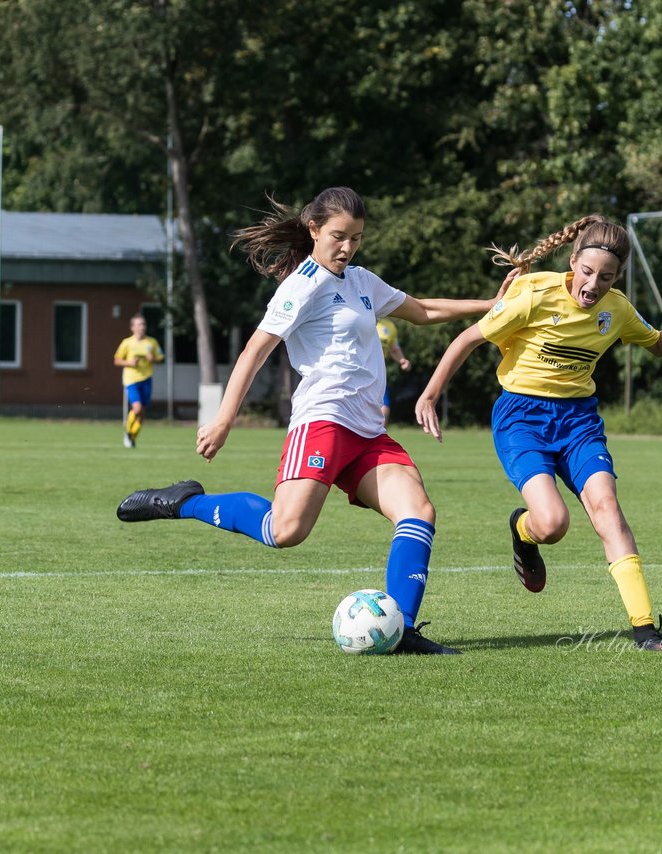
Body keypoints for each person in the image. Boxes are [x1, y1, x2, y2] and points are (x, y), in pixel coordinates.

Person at [117, 186, 509, 655]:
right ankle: (185, 502)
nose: (348, 248)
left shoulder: (362, 281)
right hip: (323, 421)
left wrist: (495, 306)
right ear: (314, 229)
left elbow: (423, 311)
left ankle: (401, 632)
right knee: (286, 532)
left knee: (418, 513)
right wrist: (223, 419)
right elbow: (254, 352)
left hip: (368, 432)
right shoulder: (302, 285)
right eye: (339, 237)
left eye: (357, 239)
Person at [414, 214, 662, 652]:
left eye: (606, 277)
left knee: (607, 509)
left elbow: (656, 343)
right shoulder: (533, 294)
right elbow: (468, 339)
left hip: (578, 421)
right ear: (573, 262)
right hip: (522, 418)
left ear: (617, 277)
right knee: (552, 524)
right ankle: (523, 531)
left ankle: (646, 631)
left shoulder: (618, 309)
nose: (594, 284)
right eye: (588, 272)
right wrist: (429, 394)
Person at [113, 314, 165, 448]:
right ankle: (128, 433)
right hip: (131, 380)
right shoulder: (127, 343)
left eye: (144, 324)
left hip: (146, 379)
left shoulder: (151, 342)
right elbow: (117, 360)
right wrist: (129, 362)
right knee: (137, 408)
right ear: (132, 327)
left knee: (142, 414)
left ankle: (132, 437)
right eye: (139, 324)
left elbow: (161, 358)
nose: (142, 327)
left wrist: (152, 358)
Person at [376, 317, 410, 424]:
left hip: (379, 372)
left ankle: (379, 434)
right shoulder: (361, 318)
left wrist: (402, 360)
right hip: (358, 371)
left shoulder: (389, 326)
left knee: (384, 404)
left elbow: (394, 348)